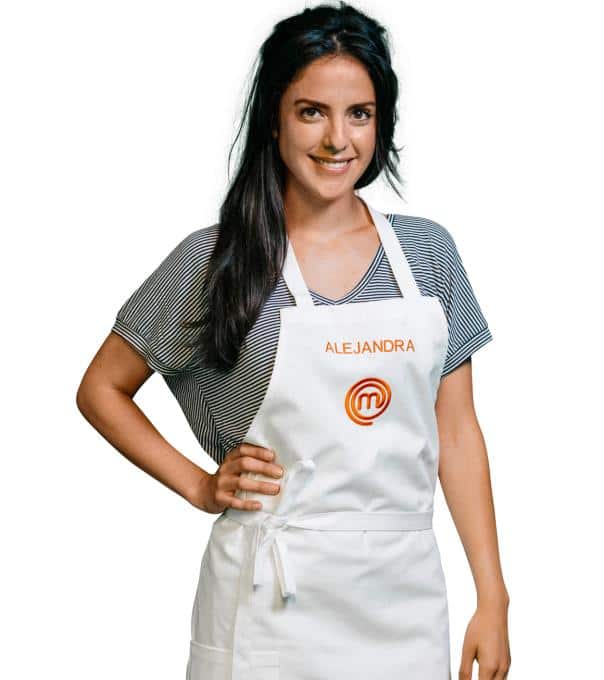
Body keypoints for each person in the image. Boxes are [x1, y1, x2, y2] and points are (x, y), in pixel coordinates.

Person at [76, 2, 511, 678]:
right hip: (267, 608)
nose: (338, 139)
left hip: (404, 604)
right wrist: (198, 486)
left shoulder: (428, 254)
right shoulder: (217, 261)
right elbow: (102, 388)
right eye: (312, 112)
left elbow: (456, 430)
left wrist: (493, 595)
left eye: (359, 114)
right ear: (274, 120)